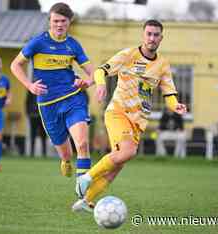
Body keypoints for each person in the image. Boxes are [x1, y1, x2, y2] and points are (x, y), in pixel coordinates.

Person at [73, 19, 187, 212]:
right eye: (148, 34)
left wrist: (176, 106)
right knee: (128, 152)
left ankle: (85, 201)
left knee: (117, 165)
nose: (152, 38)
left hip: (137, 122)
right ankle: (86, 178)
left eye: (156, 35)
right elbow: (101, 71)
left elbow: (169, 93)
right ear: (143, 35)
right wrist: (100, 85)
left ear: (161, 38)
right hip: (118, 112)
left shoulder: (162, 65)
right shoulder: (128, 55)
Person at [11, 3, 94, 179]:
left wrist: (87, 82)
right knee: (66, 153)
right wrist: (29, 85)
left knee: (83, 144)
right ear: (49, 21)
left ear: (69, 22)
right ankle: (65, 161)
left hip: (73, 99)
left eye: (63, 21)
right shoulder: (38, 42)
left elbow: (93, 72)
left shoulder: (73, 45)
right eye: (55, 21)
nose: (59, 25)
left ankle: (84, 193)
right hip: (48, 105)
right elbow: (15, 65)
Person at [25, 91, 47, 156]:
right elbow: (27, 102)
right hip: (33, 115)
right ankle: (32, 153)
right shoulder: (30, 90)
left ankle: (44, 153)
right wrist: (28, 113)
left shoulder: (44, 89)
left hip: (42, 115)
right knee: (32, 134)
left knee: (43, 135)